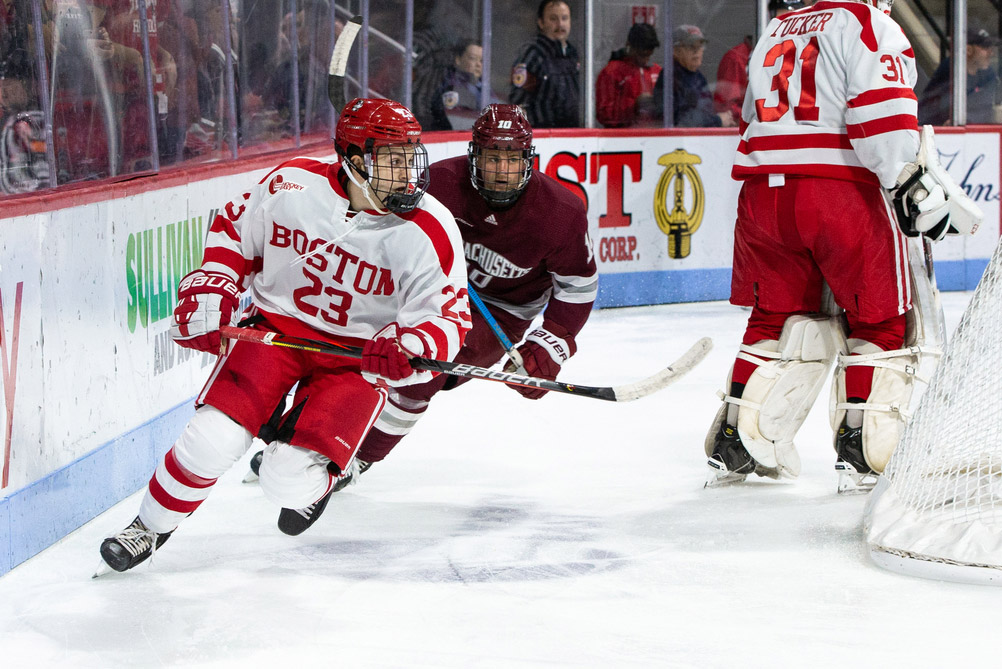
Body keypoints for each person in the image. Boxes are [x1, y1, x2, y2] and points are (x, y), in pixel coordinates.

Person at [97, 98, 471, 573]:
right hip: (275, 333)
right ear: (354, 161)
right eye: (392, 161)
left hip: (356, 360)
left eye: (410, 157)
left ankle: (321, 480)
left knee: (286, 481)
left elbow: (450, 320)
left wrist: (411, 345)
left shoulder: (429, 227)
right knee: (212, 440)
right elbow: (235, 230)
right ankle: (147, 528)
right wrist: (216, 281)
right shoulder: (293, 184)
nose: (408, 174)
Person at [244, 104, 597, 490]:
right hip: (416, 291)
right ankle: (306, 438)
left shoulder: (561, 212)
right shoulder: (439, 183)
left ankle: (356, 460)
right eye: (492, 157)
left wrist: (553, 342)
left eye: (512, 159)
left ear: (530, 160)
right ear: (473, 154)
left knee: (418, 371)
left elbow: (577, 286)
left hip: (500, 309)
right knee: (345, 346)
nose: (501, 169)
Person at [703, 0, 979, 491]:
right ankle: (863, 447)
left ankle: (736, 437)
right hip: (840, 191)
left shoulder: (777, 25)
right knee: (883, 319)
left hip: (763, 195)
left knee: (776, 316)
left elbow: (751, 114)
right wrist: (905, 181)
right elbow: (883, 115)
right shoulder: (869, 22)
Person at [714, 0, 805, 123]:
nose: (791, 28)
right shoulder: (736, 58)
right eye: (785, 20)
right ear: (768, 19)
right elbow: (727, 107)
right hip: (753, 131)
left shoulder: (802, 55)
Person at [509, 0, 580, 128]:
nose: (560, 24)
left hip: (571, 133)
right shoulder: (533, 53)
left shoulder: (573, 54)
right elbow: (518, 100)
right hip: (542, 135)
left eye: (564, 18)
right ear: (541, 23)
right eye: (553, 19)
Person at [654, 24, 735, 128]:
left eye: (700, 46)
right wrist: (718, 121)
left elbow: (704, 112)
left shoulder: (699, 78)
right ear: (676, 51)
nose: (697, 51)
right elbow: (680, 121)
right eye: (691, 46)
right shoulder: (670, 78)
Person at [918, 28, 1001, 125]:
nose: (991, 53)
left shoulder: (987, 74)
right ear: (968, 50)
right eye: (985, 48)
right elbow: (943, 109)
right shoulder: (952, 69)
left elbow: (985, 108)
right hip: (934, 131)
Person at [595, 22, 662, 128]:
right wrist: (634, 105)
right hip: (623, 138)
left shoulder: (657, 71)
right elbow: (604, 114)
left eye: (649, 55)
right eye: (641, 55)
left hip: (654, 135)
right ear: (629, 45)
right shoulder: (612, 72)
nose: (645, 60)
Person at [430, 39, 502, 131]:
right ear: (458, 60)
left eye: (482, 60)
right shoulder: (451, 86)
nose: (478, 64)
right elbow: (460, 122)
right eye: (472, 58)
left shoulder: (482, 85)